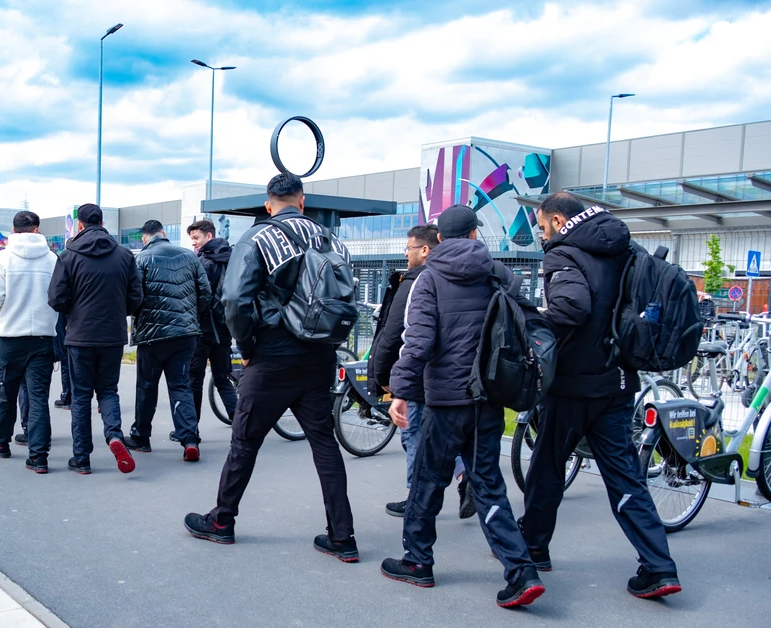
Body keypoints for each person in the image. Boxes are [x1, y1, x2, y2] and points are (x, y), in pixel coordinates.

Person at [184, 173, 359, 563]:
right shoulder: (333, 241)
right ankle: (342, 536)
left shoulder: (258, 238)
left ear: (268, 205)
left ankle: (222, 521)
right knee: (324, 444)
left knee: (245, 441)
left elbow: (234, 299)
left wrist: (246, 348)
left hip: (272, 355)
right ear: (302, 201)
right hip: (320, 355)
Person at [380, 205, 544, 608]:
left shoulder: (429, 279)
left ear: (439, 239)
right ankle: (521, 571)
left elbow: (417, 342)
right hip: (488, 399)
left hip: (445, 400)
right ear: (474, 234)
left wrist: (400, 391)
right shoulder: (498, 273)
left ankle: (418, 561)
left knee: (427, 480)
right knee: (488, 484)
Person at [519, 193, 680, 599]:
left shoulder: (564, 254)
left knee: (548, 466)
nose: (542, 236)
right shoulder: (626, 248)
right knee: (625, 475)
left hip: (572, 385)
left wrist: (532, 324)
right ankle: (659, 566)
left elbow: (571, 308)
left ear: (559, 220)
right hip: (618, 381)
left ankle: (534, 546)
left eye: (542, 227)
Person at [369, 224, 473, 519]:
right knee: (440, 435)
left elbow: (395, 334)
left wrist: (382, 375)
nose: (406, 254)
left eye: (409, 248)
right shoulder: (463, 277)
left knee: (413, 435)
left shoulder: (417, 282)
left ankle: (417, 498)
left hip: (419, 375)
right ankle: (465, 476)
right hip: (456, 376)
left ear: (425, 249)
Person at [48, 204, 142, 475]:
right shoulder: (124, 255)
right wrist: (118, 311)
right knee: (108, 390)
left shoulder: (68, 256)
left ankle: (82, 458)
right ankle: (114, 435)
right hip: (112, 335)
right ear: (102, 223)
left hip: (80, 336)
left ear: (80, 225)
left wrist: (73, 311)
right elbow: (136, 296)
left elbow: (56, 298)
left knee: (80, 396)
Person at [122, 220, 211, 461]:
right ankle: (189, 438)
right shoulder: (189, 256)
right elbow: (205, 292)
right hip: (185, 335)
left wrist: (139, 316)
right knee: (181, 385)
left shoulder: (141, 259)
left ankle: (141, 436)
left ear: (145, 238)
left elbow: (134, 297)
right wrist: (192, 316)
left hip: (152, 337)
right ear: (163, 233)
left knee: (147, 386)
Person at [0, 211, 59, 474]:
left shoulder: (2, 258)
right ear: (37, 229)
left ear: (14, 230)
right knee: (38, 397)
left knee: (7, 392)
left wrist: (1, 313)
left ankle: (1, 442)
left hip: (10, 336)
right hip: (43, 337)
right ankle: (39, 457)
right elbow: (59, 296)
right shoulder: (52, 259)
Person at [184, 219, 238, 439]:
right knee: (222, 378)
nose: (194, 243)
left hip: (202, 329)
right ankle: (241, 425)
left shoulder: (205, 261)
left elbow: (198, 296)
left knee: (193, 380)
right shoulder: (232, 258)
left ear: (209, 236)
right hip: (224, 329)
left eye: (196, 238)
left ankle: (191, 431)